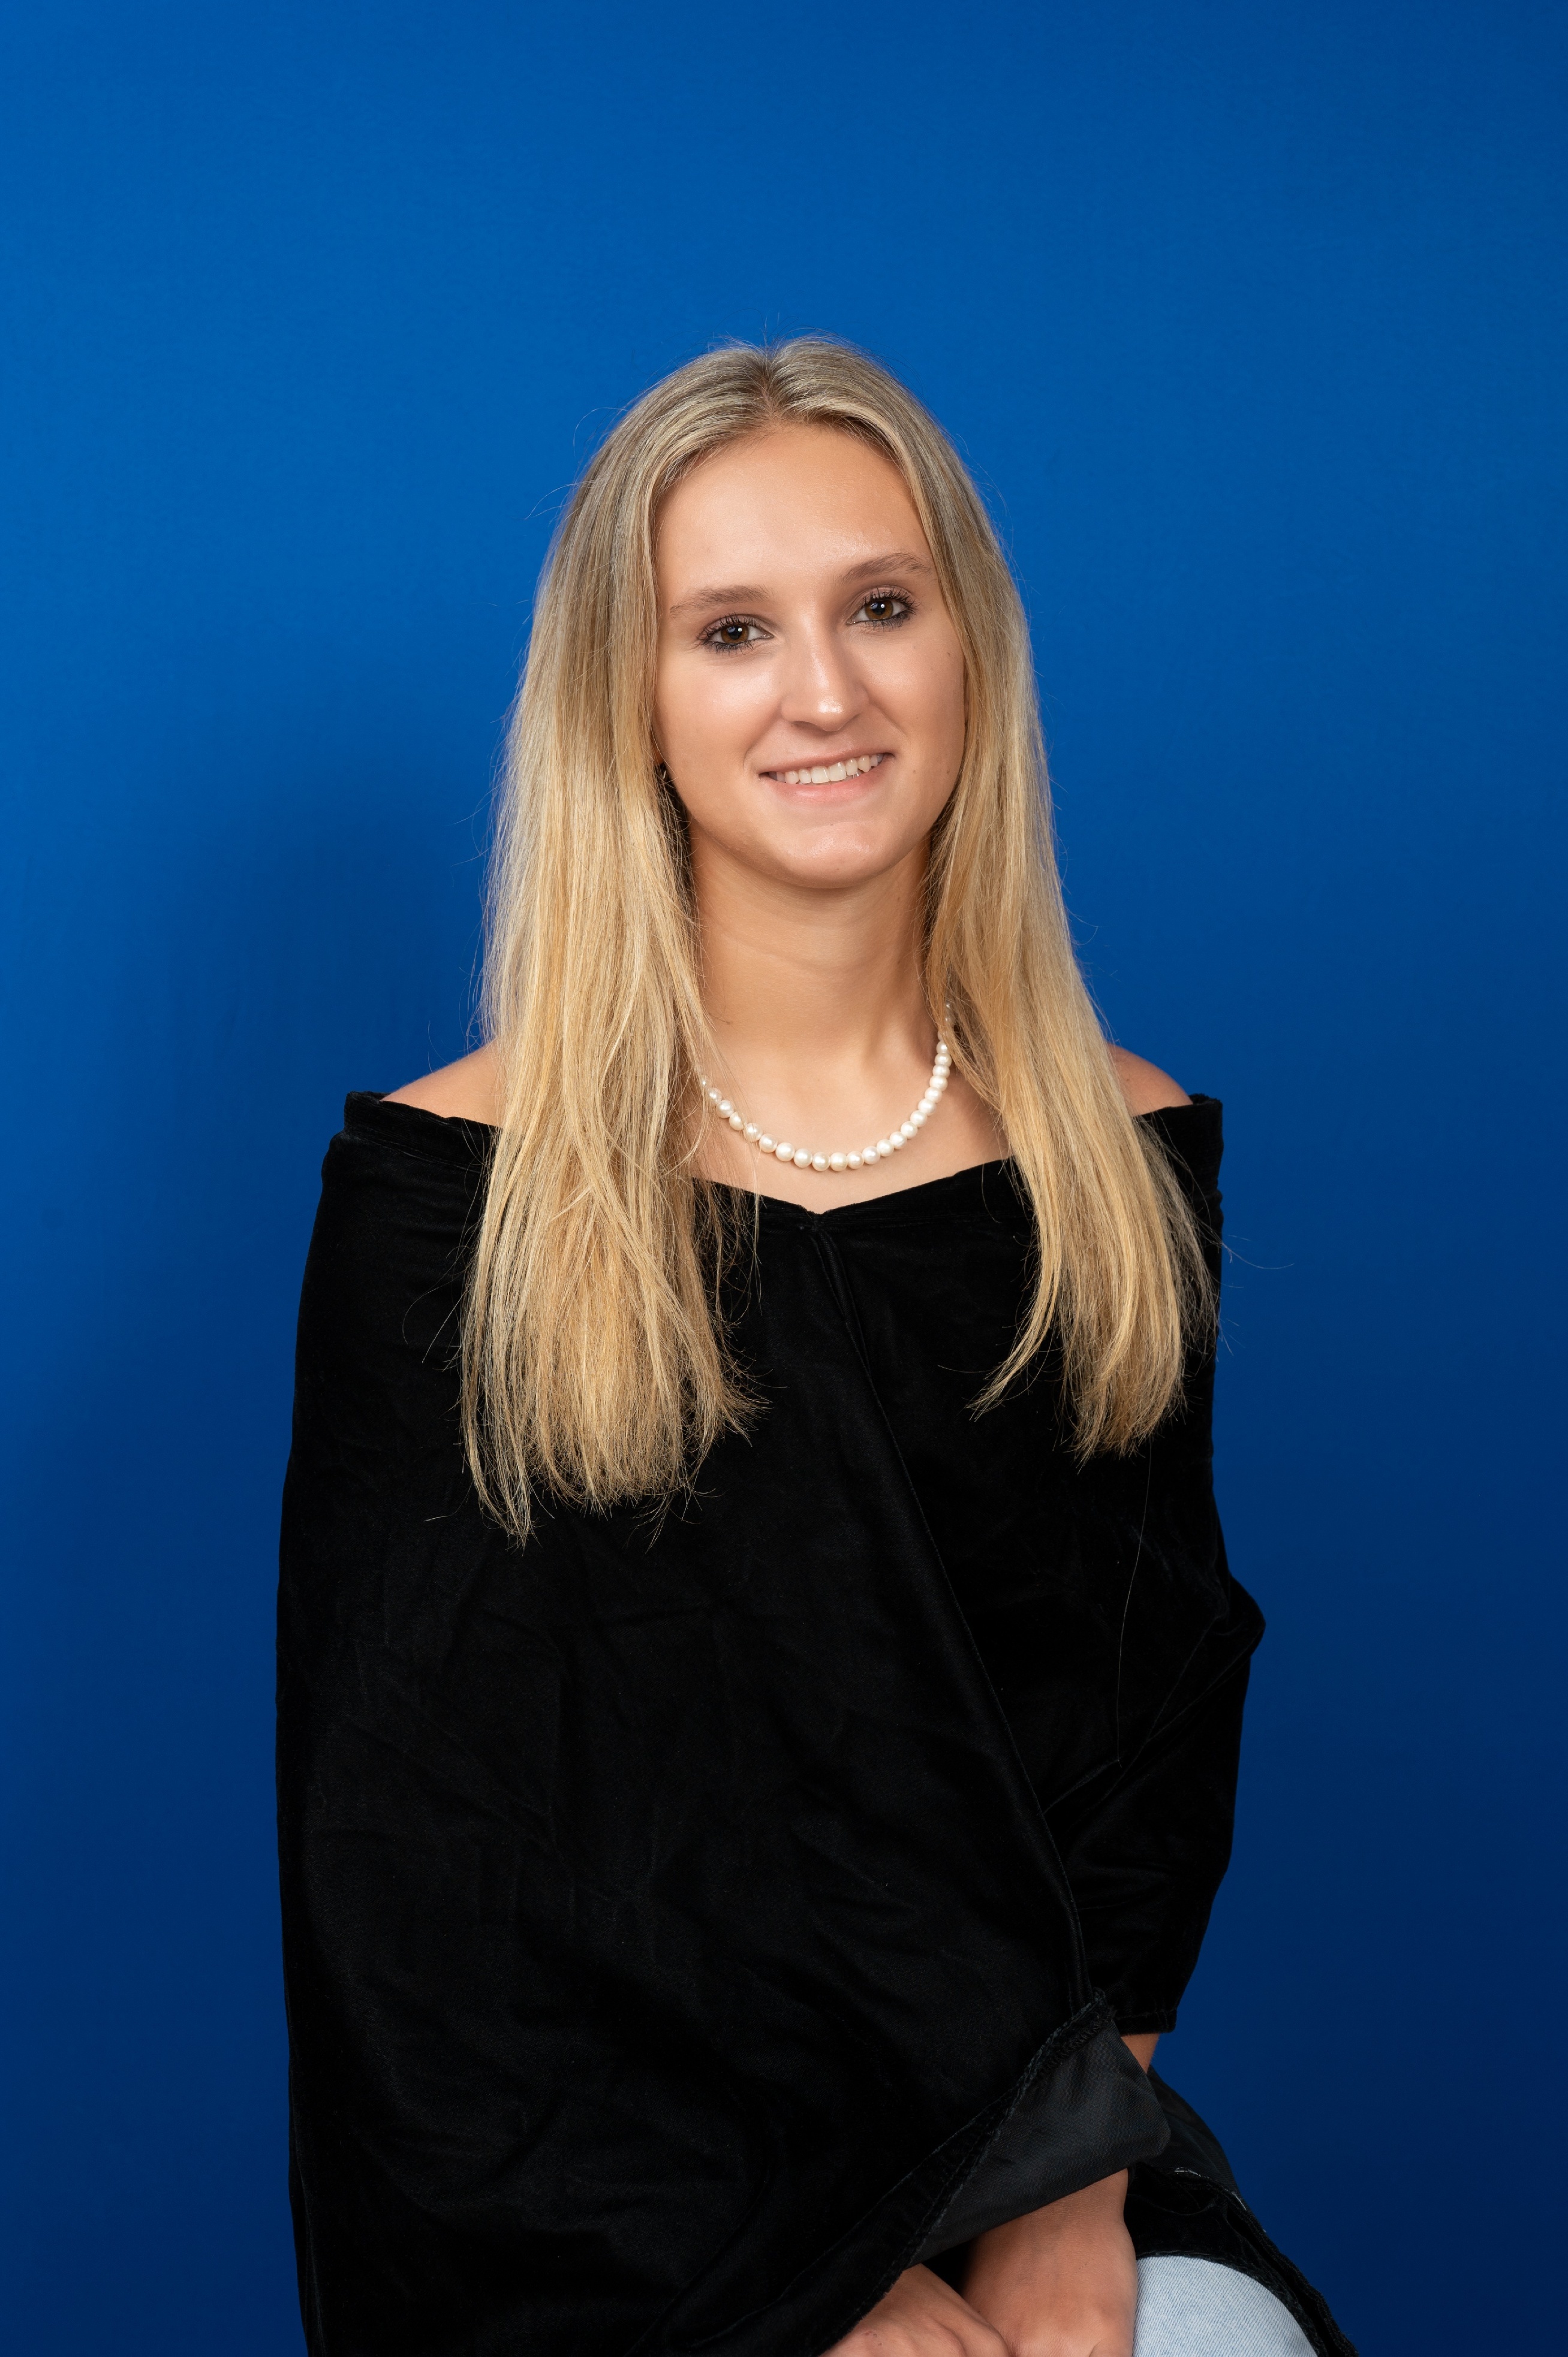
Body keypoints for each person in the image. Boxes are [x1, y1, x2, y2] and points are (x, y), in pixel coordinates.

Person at [278, 339, 1355, 2357]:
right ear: (631, 697)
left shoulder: (1118, 1155)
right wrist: (827, 2305)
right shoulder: (452, 1200)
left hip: (1021, 2135)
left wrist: (1058, 2212)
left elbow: (1143, 1753)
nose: (826, 692)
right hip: (590, 2209)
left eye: (880, 605)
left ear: (970, 647)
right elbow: (413, 1887)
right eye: (733, 630)